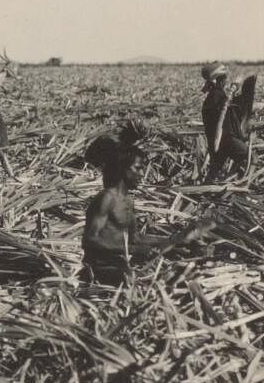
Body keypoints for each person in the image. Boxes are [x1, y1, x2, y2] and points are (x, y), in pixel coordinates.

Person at [81, 121, 216, 287]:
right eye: (137, 168)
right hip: (100, 267)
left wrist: (174, 240)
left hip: (122, 262)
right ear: (123, 169)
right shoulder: (107, 199)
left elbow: (135, 238)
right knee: (133, 279)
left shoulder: (127, 201)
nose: (141, 174)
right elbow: (89, 240)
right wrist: (134, 250)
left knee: (180, 265)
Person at [201, 63, 254, 182]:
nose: (226, 80)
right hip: (225, 142)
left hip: (216, 143)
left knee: (214, 172)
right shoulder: (217, 97)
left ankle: (221, 181)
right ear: (220, 80)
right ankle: (243, 182)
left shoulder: (214, 97)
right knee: (250, 157)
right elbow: (224, 120)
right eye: (224, 78)